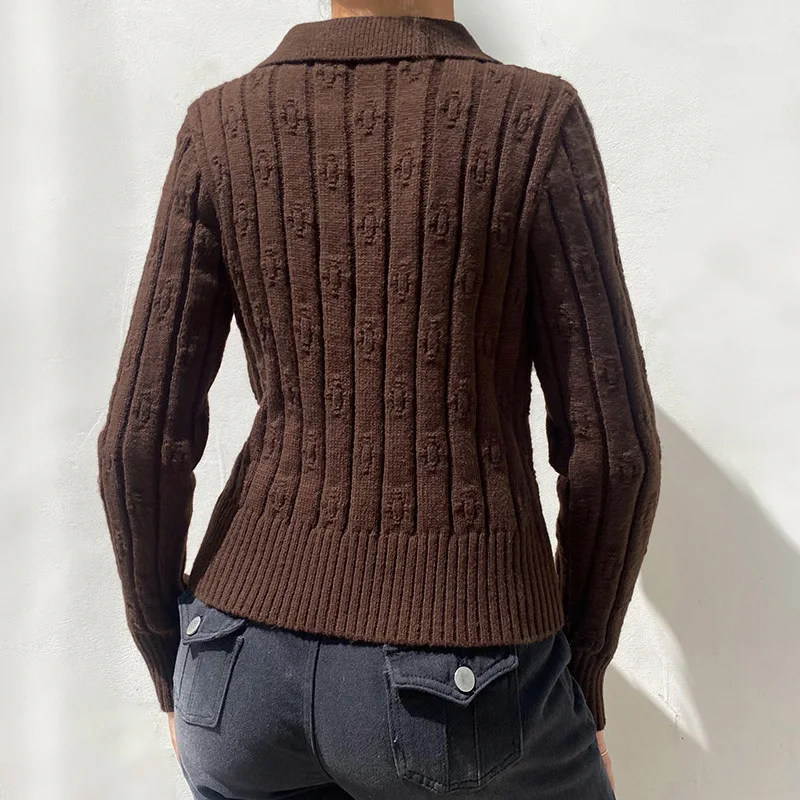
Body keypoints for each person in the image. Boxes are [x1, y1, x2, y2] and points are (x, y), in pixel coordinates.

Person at [96, 0, 662, 797]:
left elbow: (137, 442)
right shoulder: (534, 119)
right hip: (463, 670)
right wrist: (583, 674)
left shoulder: (220, 124)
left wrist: (171, 665)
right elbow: (615, 454)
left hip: (233, 664)